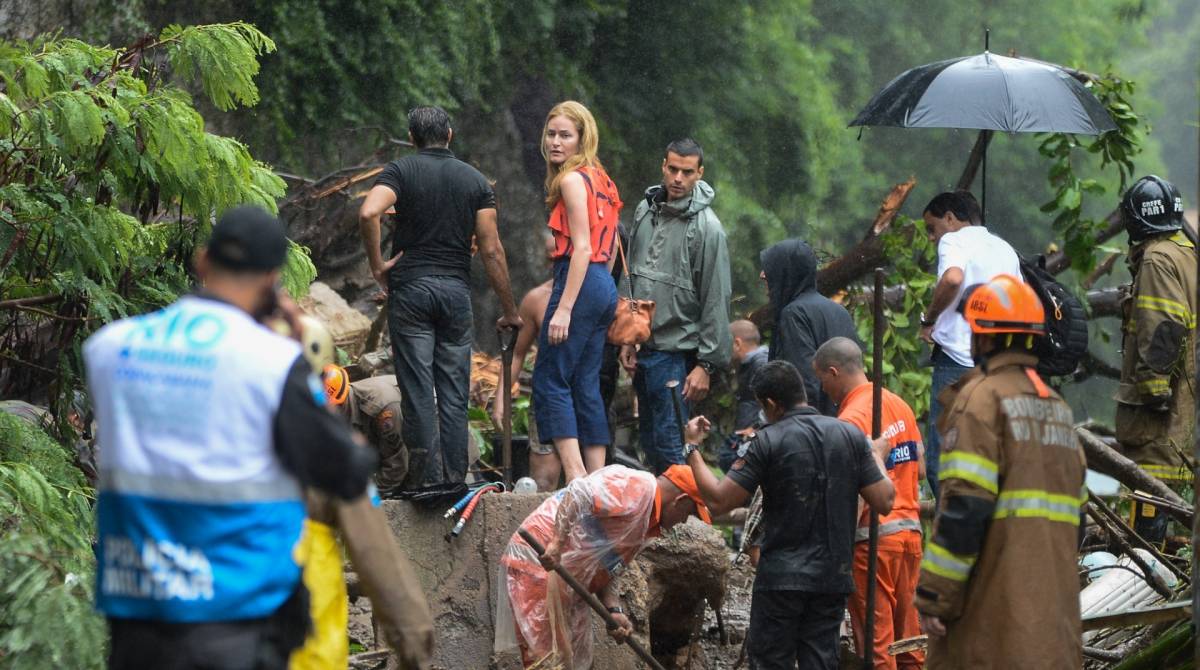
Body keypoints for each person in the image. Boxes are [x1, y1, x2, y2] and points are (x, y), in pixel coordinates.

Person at [85, 205, 378, 669]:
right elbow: (345, 469)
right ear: (273, 279)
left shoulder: (108, 348)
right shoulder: (271, 363)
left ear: (202, 262)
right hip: (236, 621)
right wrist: (300, 349)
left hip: (136, 615)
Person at [915, 274, 1085, 669]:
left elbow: (964, 510)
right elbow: (1078, 523)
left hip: (993, 623)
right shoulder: (1057, 410)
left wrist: (936, 596)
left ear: (985, 338)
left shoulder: (981, 400)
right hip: (1053, 624)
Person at [684, 360, 894, 670]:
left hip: (782, 579)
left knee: (771, 662)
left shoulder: (767, 441)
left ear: (770, 404)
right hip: (832, 579)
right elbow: (885, 500)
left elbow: (717, 501)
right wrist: (874, 454)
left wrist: (691, 448)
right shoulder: (849, 436)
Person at [359, 105, 522, 495]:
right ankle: (454, 481)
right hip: (454, 294)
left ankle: (426, 480)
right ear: (449, 135)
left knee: (417, 388)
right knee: (453, 389)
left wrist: (378, 265)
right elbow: (492, 249)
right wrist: (510, 309)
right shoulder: (476, 181)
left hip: (412, 292)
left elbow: (368, 212)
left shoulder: (401, 171)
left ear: (412, 138)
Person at [499, 464, 711, 669]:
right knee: (546, 661)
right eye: (689, 514)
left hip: (570, 581)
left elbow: (609, 563)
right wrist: (556, 544)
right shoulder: (638, 488)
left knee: (579, 661)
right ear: (681, 500)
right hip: (539, 559)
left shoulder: (647, 521)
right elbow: (578, 491)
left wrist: (614, 609)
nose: (683, 522)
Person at [619, 138, 732, 474]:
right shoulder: (645, 211)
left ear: (699, 173)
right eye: (672, 169)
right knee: (650, 444)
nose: (678, 178)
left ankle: (685, 525)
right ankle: (659, 524)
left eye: (686, 171)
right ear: (663, 167)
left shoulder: (708, 229)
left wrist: (706, 365)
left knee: (673, 448)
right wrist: (628, 336)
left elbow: (716, 298)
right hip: (645, 347)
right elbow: (633, 277)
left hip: (676, 355)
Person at [813, 337, 925, 670]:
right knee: (909, 644)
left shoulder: (849, 422)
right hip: (911, 538)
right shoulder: (899, 404)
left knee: (877, 649)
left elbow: (852, 494)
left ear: (833, 373)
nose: (823, 389)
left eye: (822, 380)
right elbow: (918, 467)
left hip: (872, 543)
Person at [529, 101, 622, 483]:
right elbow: (613, 242)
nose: (555, 142)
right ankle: (596, 475)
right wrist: (604, 287)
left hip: (579, 279)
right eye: (551, 133)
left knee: (550, 377)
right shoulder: (601, 178)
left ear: (582, 138)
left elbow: (581, 247)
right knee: (586, 380)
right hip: (603, 281)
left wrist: (565, 307)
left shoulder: (571, 180)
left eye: (565, 135)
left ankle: (576, 474)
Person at [917, 191, 1020, 501]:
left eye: (932, 229)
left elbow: (951, 279)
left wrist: (929, 319)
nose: (934, 239)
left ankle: (961, 534)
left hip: (959, 363)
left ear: (950, 217)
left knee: (943, 461)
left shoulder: (955, 241)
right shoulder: (1005, 249)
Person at [1114, 175, 1196, 544]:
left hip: (1158, 420)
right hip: (1184, 417)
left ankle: (1146, 589)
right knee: (1175, 512)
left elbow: (1162, 325)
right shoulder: (1185, 253)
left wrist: (1152, 391)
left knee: (1147, 516)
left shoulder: (1157, 259)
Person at [759, 238, 859, 416]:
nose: (763, 275)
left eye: (770, 268)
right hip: (846, 419)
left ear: (786, 273)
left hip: (813, 428)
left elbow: (802, 383)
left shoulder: (793, 314)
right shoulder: (838, 310)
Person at [494, 235, 562, 491]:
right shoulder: (537, 299)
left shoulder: (598, 293)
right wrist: (502, 399)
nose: (554, 261)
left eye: (560, 254)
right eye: (550, 256)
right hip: (548, 395)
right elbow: (517, 352)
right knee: (543, 482)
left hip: (586, 396)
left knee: (590, 479)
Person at [324, 366, 414, 497]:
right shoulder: (333, 404)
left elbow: (397, 464)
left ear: (340, 401)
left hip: (429, 424)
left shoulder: (382, 410)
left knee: (413, 484)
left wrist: (366, 496)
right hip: (386, 433)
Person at [721, 319, 769, 472]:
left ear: (737, 343)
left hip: (755, 441)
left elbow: (769, 403)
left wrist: (755, 430)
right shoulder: (750, 364)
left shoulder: (761, 364)